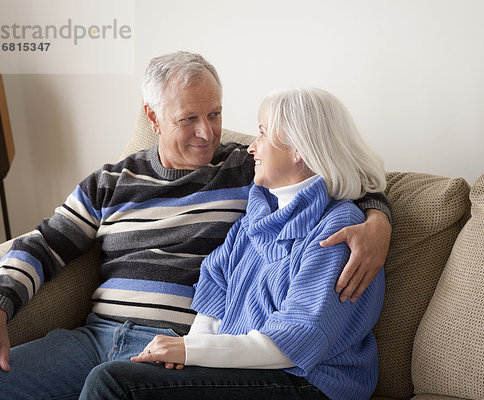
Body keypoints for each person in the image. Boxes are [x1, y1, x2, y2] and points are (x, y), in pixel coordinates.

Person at [0, 52, 391, 399]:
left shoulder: (247, 171)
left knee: (111, 385)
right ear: (153, 117)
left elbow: (335, 174)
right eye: (188, 118)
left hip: (184, 346)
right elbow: (42, 244)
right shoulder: (110, 182)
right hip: (95, 337)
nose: (207, 132)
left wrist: (378, 222)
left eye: (215, 114)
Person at [78, 87, 388, 400]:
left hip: (310, 382)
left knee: (112, 382)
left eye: (263, 134)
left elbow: (295, 341)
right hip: (243, 369)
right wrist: (189, 356)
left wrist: (191, 350)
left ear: (299, 149)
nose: (253, 147)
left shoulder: (340, 229)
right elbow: (215, 285)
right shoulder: (255, 217)